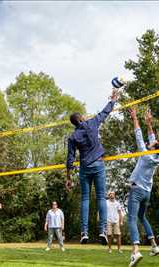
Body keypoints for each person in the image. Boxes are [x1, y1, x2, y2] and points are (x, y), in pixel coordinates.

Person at [65, 89, 119, 245]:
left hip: (85, 168)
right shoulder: (92, 123)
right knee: (101, 197)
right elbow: (105, 113)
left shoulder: (72, 136)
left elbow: (70, 158)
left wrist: (68, 177)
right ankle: (102, 230)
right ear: (81, 118)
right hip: (98, 164)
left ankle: (84, 233)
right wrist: (113, 100)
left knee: (85, 199)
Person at [127, 108, 159, 267]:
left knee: (132, 219)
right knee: (142, 217)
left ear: (153, 148)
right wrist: (149, 124)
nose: (150, 142)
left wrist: (135, 117)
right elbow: (151, 138)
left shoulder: (145, 153)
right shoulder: (157, 158)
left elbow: (138, 134)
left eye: (152, 143)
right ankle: (154, 246)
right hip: (147, 192)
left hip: (136, 191)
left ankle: (135, 251)